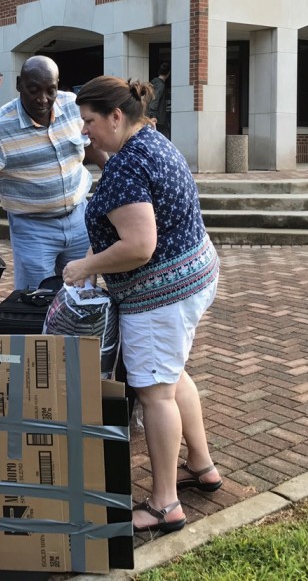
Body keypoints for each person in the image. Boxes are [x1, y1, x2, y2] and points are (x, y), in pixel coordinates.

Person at [62, 75, 221, 535]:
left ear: (115, 116)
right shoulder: (152, 141)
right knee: (172, 375)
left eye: (89, 121)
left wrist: (85, 265)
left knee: (154, 393)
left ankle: (164, 503)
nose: (84, 131)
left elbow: (139, 245)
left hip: (159, 295)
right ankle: (202, 465)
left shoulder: (127, 168)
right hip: (194, 273)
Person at [0, 55, 107, 289]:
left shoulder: (73, 106)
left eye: (50, 90)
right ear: (19, 84)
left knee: (81, 297)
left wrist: (113, 173)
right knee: (37, 299)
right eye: (33, 90)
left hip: (79, 218)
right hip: (33, 229)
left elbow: (90, 146)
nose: (43, 99)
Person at [147, 62, 171, 138]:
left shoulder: (153, 83)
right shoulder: (161, 85)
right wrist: (153, 116)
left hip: (153, 117)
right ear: (168, 73)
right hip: (158, 119)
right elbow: (155, 101)